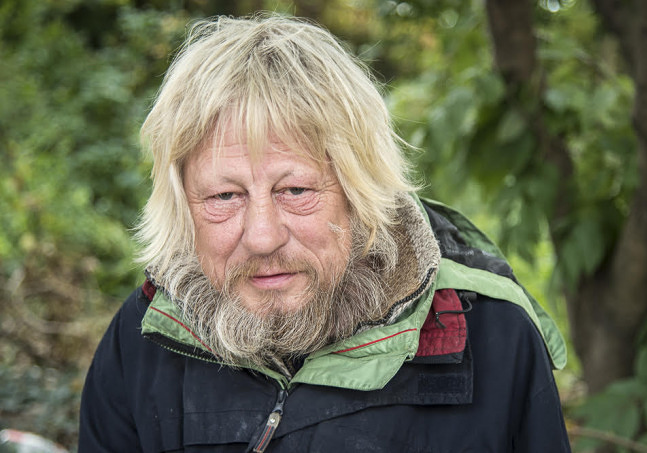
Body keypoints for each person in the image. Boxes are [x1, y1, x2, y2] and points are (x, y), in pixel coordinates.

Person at [78, 14, 572, 452]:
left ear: (360, 191)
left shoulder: (491, 338)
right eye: (224, 196)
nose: (262, 237)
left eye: (295, 190)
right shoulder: (145, 338)